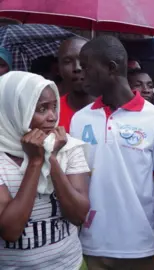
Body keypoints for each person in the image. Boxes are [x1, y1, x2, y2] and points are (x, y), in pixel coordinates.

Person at [70, 36, 154, 270]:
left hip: (143, 248)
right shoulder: (80, 119)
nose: (79, 72)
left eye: (86, 66)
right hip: (91, 246)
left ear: (111, 68)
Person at [0, 71, 90, 269]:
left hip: (70, 265)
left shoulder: (69, 148)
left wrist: (51, 158)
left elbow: (79, 215)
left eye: (54, 107)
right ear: (15, 110)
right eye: (42, 108)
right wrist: (35, 162)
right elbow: (10, 230)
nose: (53, 117)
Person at [57, 37, 95, 133]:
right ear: (59, 69)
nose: (77, 68)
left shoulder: (112, 110)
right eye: (67, 61)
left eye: (83, 59)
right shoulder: (52, 114)